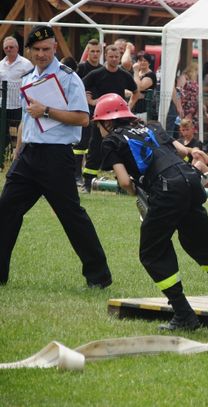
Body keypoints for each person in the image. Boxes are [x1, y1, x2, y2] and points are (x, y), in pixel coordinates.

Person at [94, 93, 208, 331]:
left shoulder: (111, 141)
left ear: (107, 123)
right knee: (198, 244)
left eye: (99, 124)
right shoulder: (151, 127)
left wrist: (139, 194)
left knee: (152, 252)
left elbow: (123, 182)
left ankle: (184, 314)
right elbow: (182, 150)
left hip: (166, 189)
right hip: (190, 181)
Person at [0, 25, 112, 288]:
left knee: (71, 216)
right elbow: (28, 122)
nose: (41, 54)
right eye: (37, 49)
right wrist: (17, 155)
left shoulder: (68, 77)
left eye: (46, 49)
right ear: (30, 50)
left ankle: (99, 276)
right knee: (5, 211)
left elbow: (83, 119)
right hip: (29, 155)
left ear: (55, 48)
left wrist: (47, 110)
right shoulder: (27, 78)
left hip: (56, 156)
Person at [81, 44, 139, 193]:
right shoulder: (96, 74)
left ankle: (121, 184)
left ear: (119, 57)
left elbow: (136, 91)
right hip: (100, 119)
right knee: (95, 149)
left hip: (119, 120)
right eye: (111, 56)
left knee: (121, 149)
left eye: (116, 57)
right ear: (105, 56)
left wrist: (129, 107)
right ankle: (87, 183)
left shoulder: (124, 75)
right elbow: (80, 87)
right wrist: (91, 101)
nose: (114, 59)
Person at [0, 36, 33, 170]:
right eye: (6, 47)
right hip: (3, 105)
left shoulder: (26, 64)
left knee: (19, 137)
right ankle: (0, 163)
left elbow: (31, 84)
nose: (9, 49)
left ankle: (19, 162)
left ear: (17, 48)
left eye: (11, 47)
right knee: (2, 135)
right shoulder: (1, 64)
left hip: (19, 106)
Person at [73, 39, 102, 184]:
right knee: (81, 144)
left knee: (94, 144)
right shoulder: (82, 68)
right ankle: (76, 174)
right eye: (92, 51)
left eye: (97, 51)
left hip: (100, 112)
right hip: (83, 110)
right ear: (88, 52)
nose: (95, 54)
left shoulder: (103, 69)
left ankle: (89, 177)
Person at [132, 52, 157, 122]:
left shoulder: (150, 75)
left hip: (145, 109)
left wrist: (136, 71)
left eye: (145, 61)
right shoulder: (138, 74)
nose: (142, 62)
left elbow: (140, 87)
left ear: (149, 63)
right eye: (140, 60)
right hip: (135, 107)